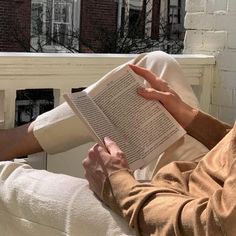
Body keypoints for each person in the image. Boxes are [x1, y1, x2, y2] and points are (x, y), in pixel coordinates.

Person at [0, 51, 233, 236]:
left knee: (5, 180)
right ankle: (18, 139)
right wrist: (192, 119)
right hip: (202, 178)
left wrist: (119, 186)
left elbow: (213, 227)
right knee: (156, 65)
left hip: (178, 218)